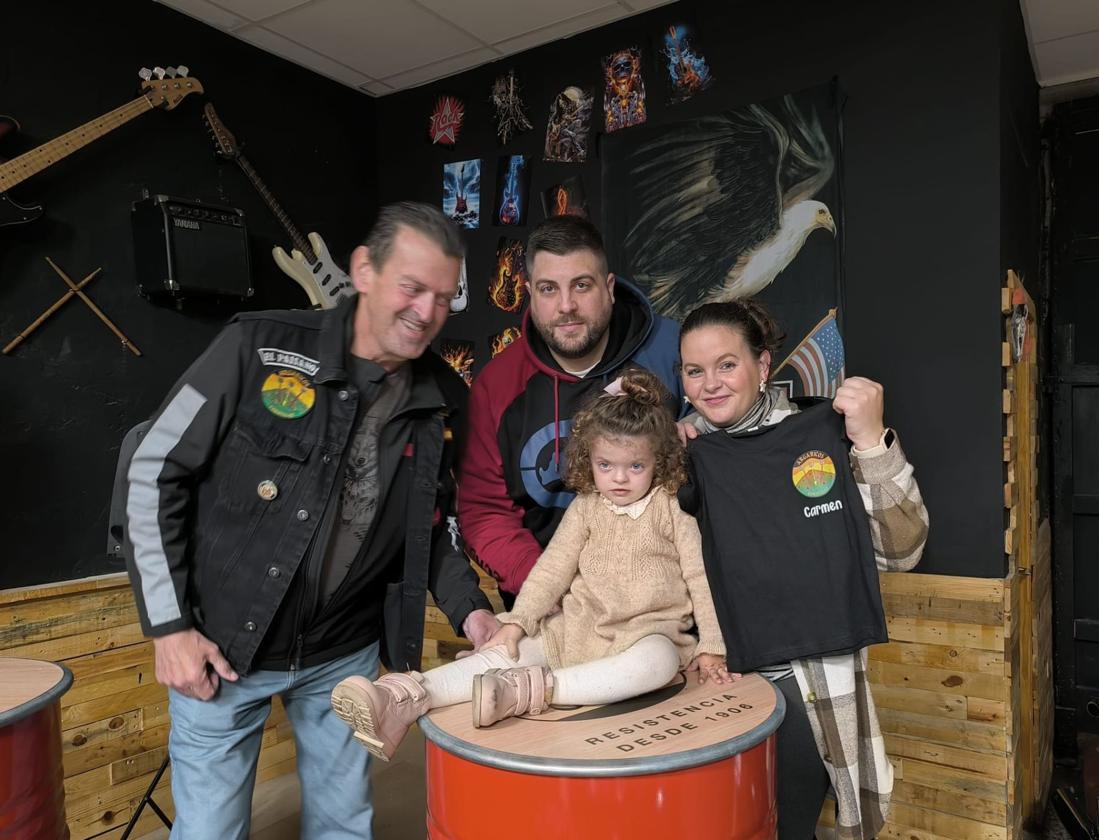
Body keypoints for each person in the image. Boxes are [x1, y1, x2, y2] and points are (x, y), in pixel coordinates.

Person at [119, 202, 498, 840]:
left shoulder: (441, 400)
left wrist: (471, 610)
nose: (427, 312)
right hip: (221, 645)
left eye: (442, 296)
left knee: (345, 825)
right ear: (364, 271)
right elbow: (152, 469)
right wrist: (169, 630)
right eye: (412, 287)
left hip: (341, 655)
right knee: (208, 830)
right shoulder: (253, 344)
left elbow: (427, 531)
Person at [330, 369, 729, 760]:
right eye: (605, 465)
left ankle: (527, 690)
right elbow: (552, 569)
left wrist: (711, 646)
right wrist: (518, 622)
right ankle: (404, 696)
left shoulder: (671, 509)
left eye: (635, 467)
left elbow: (700, 578)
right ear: (588, 458)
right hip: (576, 629)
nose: (619, 479)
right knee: (508, 648)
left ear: (658, 460)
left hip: (647, 633)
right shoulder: (586, 508)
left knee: (655, 665)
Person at [676, 299, 929, 839]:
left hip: (805, 681)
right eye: (694, 371)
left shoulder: (824, 434)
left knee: (788, 826)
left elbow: (902, 550)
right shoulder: (686, 452)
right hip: (715, 677)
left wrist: (871, 440)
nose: (710, 383)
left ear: (763, 366)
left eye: (727, 364)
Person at [459, 215, 683, 608]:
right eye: (549, 289)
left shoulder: (673, 351)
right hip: (549, 605)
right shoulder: (497, 385)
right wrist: (553, 587)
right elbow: (485, 510)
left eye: (582, 285)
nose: (566, 306)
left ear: (609, 288)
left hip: (661, 602)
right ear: (530, 292)